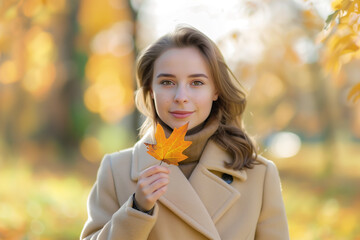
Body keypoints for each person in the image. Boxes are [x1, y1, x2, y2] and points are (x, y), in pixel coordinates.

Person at [80, 26, 289, 240]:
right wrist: (137, 211)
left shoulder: (258, 174)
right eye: (167, 82)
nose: (181, 96)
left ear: (215, 90)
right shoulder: (117, 171)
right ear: (151, 90)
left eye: (196, 83)